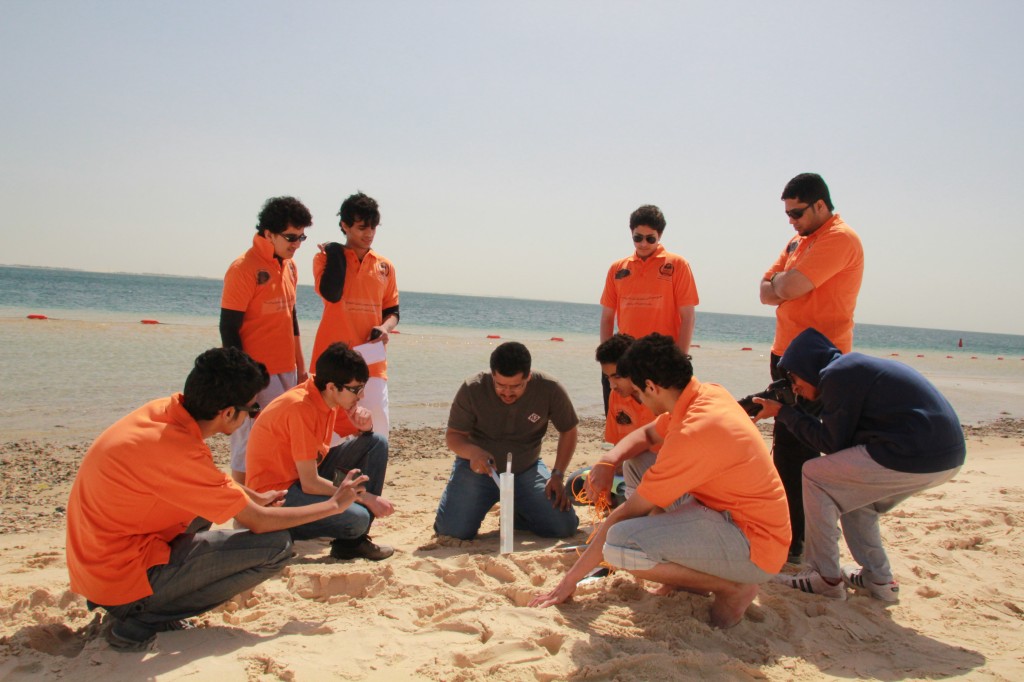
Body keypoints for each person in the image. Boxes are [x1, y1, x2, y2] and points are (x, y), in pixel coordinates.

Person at [66, 348, 369, 651]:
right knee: (276, 548)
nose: (252, 415)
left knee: (207, 511)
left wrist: (254, 495)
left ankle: (149, 604)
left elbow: (211, 480)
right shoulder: (179, 451)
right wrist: (334, 504)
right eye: (251, 409)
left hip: (97, 568)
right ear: (227, 413)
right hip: (119, 581)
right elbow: (259, 523)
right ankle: (143, 618)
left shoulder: (165, 413)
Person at [531, 334, 790, 629]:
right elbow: (646, 436)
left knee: (619, 544)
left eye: (639, 392)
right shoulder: (706, 394)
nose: (637, 398)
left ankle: (732, 588)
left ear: (652, 386)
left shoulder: (694, 432)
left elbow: (626, 514)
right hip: (730, 516)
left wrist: (568, 582)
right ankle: (687, 580)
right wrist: (606, 461)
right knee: (639, 463)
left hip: (753, 546)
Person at [754, 328, 966, 602]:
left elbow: (829, 444)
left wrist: (784, 413)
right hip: (943, 456)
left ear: (806, 365)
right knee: (856, 500)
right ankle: (878, 580)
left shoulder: (837, 374)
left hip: (915, 451)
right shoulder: (851, 370)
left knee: (814, 474)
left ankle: (825, 578)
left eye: (793, 377)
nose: (794, 387)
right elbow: (841, 444)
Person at [759, 173, 864, 563]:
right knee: (785, 445)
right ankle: (790, 534)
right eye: (788, 214)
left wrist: (781, 286)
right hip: (784, 353)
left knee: (798, 448)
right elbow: (765, 288)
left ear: (821, 204)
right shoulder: (798, 240)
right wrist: (780, 285)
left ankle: (795, 541)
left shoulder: (840, 238)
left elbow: (788, 288)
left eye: (798, 212)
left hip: (819, 360)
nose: (792, 220)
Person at [246, 342, 395, 561]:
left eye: (362, 387)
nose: (361, 396)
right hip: (276, 495)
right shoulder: (301, 407)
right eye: (356, 389)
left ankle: (352, 543)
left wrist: (365, 429)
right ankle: (276, 531)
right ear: (333, 387)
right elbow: (310, 483)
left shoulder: (325, 395)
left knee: (375, 442)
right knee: (358, 518)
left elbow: (317, 467)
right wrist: (367, 497)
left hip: (300, 476)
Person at [434, 341, 580, 540]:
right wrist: (474, 453)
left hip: (525, 469)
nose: (507, 392)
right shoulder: (472, 388)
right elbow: (453, 437)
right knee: (453, 531)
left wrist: (557, 474)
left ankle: (518, 511)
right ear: (492, 374)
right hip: (479, 470)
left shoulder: (550, 388)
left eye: (516, 386)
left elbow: (569, 430)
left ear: (528, 376)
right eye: (500, 385)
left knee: (563, 527)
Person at [221, 196, 313, 485]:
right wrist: (243, 382)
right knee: (247, 448)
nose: (296, 244)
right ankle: (243, 517)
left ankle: (273, 510)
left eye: (301, 237)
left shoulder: (290, 267)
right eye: (291, 237)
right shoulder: (243, 268)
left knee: (280, 446)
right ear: (268, 233)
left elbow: (291, 318)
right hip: (255, 375)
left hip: (287, 370)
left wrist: (300, 366)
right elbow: (228, 328)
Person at [311, 192, 399, 440]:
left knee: (377, 434)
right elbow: (332, 293)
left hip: (372, 362)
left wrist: (385, 328)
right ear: (345, 225)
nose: (369, 234)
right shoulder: (325, 258)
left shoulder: (385, 266)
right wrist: (337, 252)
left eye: (372, 228)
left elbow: (393, 311)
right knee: (331, 437)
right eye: (362, 228)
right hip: (331, 362)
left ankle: (372, 480)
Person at [600, 204, 699, 414]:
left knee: (664, 425)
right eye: (638, 237)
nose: (643, 243)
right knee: (622, 423)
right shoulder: (617, 269)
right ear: (631, 234)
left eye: (650, 238)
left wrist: (680, 359)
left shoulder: (677, 265)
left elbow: (688, 317)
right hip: (625, 360)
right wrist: (607, 362)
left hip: (661, 362)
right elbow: (608, 317)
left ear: (659, 236)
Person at [584, 333, 661, 501]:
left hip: (660, 474)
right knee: (577, 483)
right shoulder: (615, 396)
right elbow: (617, 446)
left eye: (617, 376)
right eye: (607, 377)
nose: (612, 385)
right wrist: (610, 468)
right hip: (628, 472)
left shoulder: (661, 398)